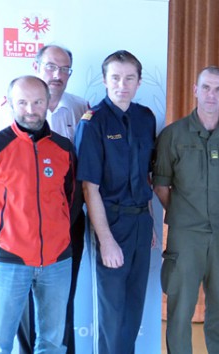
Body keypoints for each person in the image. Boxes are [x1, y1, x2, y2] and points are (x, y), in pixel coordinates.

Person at [0, 44, 89, 354]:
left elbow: (76, 180)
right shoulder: (4, 115)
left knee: (60, 310)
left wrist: (66, 223)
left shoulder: (81, 108)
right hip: (14, 234)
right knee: (15, 317)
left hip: (63, 230)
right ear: (36, 66)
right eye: (51, 67)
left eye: (65, 70)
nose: (58, 75)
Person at [153, 66, 219, 354]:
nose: (212, 94)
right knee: (180, 310)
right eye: (206, 87)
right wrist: (185, 215)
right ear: (195, 90)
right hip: (186, 237)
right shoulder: (173, 134)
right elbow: (161, 185)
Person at [74, 50, 156, 354]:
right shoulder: (93, 122)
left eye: (129, 78)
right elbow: (89, 188)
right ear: (105, 81)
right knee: (111, 314)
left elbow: (146, 176)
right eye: (116, 78)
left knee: (134, 307)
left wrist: (150, 223)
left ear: (138, 81)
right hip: (111, 222)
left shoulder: (145, 118)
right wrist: (106, 241)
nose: (122, 84)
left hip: (141, 223)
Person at [0, 75, 75, 353]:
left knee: (51, 343)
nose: (30, 109)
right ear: (11, 103)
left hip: (57, 261)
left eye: (37, 101)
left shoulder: (64, 149)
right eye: (22, 102)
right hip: (8, 259)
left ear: (48, 102)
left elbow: (71, 199)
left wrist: (59, 234)